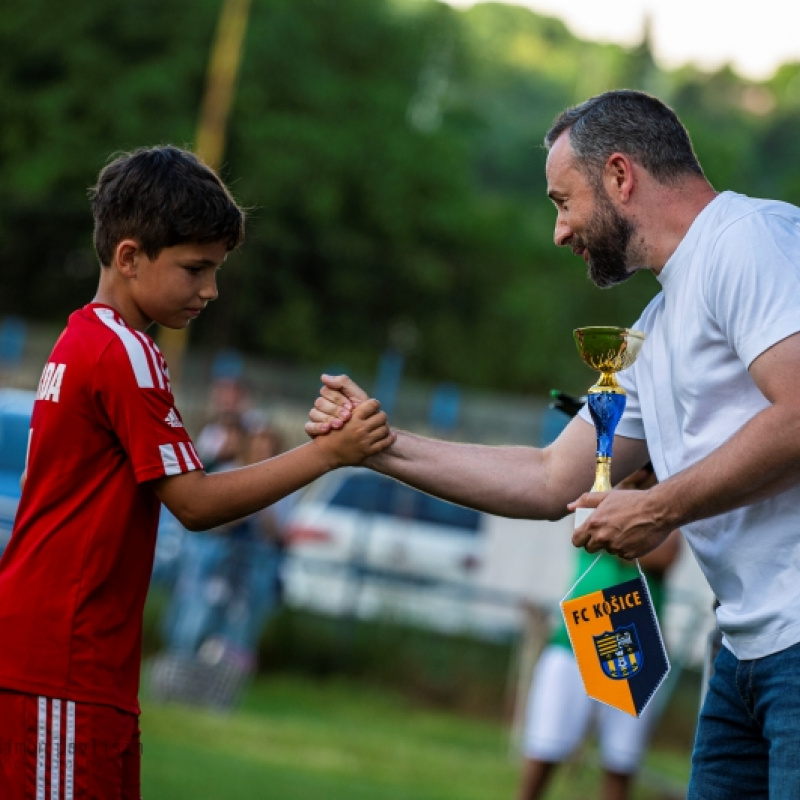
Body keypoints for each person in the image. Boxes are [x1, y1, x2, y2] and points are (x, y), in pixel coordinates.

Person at [306, 89, 800, 799]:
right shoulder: (654, 331)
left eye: (562, 202)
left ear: (621, 176)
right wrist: (376, 445)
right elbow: (548, 476)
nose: (559, 232)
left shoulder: (748, 240)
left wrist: (660, 507)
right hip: (746, 655)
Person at [0, 145, 393, 800]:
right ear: (129, 257)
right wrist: (328, 453)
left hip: (78, 662)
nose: (210, 289)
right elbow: (195, 503)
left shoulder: (84, 338)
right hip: (61, 660)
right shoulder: (125, 352)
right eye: (195, 269)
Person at [518, 465, 681, 800]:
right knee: (542, 754)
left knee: (619, 763)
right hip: (574, 640)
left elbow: (664, 555)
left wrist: (620, 525)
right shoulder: (599, 487)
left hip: (635, 643)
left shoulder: (667, 497)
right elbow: (583, 529)